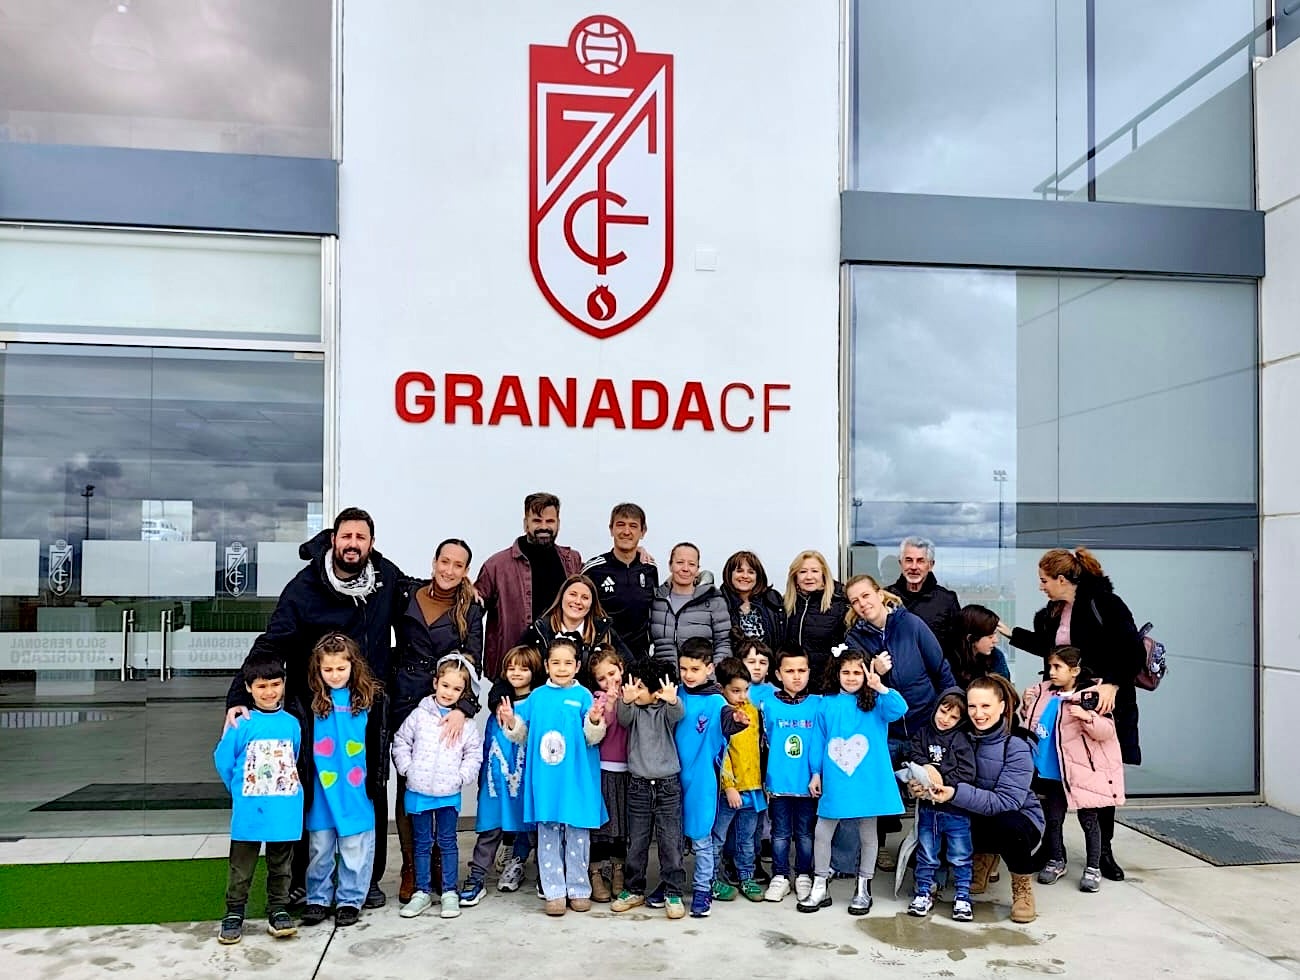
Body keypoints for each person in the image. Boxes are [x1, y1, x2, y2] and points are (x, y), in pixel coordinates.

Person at [224, 507, 405, 910]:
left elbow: (418, 607)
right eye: (347, 537)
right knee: (313, 789)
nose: (353, 544)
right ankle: (309, 883)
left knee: (368, 787)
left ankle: (365, 880)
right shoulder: (305, 586)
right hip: (315, 708)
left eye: (361, 538)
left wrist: (463, 590)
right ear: (333, 539)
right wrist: (239, 695)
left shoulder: (386, 577)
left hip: (365, 708)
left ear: (371, 543)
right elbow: (272, 641)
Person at [998, 546, 1145, 882]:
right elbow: (1050, 652)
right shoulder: (1052, 612)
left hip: (1102, 705)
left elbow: (1132, 651)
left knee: (1096, 778)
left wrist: (1113, 685)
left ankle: (1103, 853)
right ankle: (1053, 851)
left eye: (1044, 580)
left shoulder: (1104, 605)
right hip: (1064, 707)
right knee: (1053, 779)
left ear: (1062, 579)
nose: (1041, 586)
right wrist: (1009, 633)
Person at [390, 538, 484, 903]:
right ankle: (412, 866)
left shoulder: (470, 608)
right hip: (406, 698)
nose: (449, 570)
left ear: (465, 571)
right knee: (409, 784)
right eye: (444, 561)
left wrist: (463, 708)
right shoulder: (407, 593)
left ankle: (440, 869)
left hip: (447, 704)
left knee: (441, 784)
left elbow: (473, 661)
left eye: (458, 565)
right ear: (434, 562)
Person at [843, 574, 955, 869]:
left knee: (929, 787)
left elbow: (939, 667)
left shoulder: (911, 624)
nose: (862, 604)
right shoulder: (855, 637)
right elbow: (859, 684)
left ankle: (937, 855)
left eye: (866, 596)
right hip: (886, 727)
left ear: (880, 594)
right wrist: (874, 669)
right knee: (881, 786)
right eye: (855, 601)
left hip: (922, 721)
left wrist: (950, 709)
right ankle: (878, 847)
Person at [923, 675, 1044, 925]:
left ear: (1001, 707)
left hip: (1017, 820)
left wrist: (954, 793)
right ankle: (982, 856)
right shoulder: (957, 738)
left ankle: (1022, 885)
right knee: (924, 851)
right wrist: (923, 782)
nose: (978, 714)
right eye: (972, 706)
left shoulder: (1016, 746)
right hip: (971, 815)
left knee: (1008, 825)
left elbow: (1007, 802)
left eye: (986, 706)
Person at [498, 636, 607, 916]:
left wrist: (595, 719)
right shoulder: (537, 697)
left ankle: (579, 888)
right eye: (555, 662)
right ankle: (554, 891)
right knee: (547, 835)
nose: (561, 668)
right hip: (546, 781)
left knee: (577, 834)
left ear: (577, 666)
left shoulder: (584, 696)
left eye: (568, 662)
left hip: (576, 779)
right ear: (546, 666)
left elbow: (592, 738)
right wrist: (511, 722)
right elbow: (524, 736)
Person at [800, 647, 907, 916]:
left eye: (857, 672)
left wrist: (879, 686)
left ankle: (863, 886)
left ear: (866, 673)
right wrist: (815, 772)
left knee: (868, 834)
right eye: (845, 672)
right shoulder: (826, 703)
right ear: (836, 673)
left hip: (868, 779)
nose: (850, 677)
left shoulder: (877, 703)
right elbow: (818, 741)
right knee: (823, 831)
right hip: (836, 779)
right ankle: (820, 884)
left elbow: (900, 708)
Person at [212, 653, 303, 945]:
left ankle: (278, 909)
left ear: (283, 684)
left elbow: (294, 757)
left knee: (281, 865)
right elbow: (224, 760)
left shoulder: (292, 723)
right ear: (249, 688)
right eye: (262, 686)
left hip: (283, 809)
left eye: (275, 684)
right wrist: (239, 790)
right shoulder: (241, 724)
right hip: (250, 809)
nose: (270, 692)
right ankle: (234, 912)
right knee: (241, 866)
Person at [1020, 645, 1126, 894]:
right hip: (1050, 771)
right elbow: (1032, 723)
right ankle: (1056, 860)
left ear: (1075, 670)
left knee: (1089, 820)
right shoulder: (1044, 693)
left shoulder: (1091, 696)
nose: (1051, 672)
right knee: (1052, 820)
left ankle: (1093, 867)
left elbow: (1107, 732)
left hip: (1079, 773)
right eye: (1050, 667)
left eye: (1058, 667)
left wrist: (1087, 717)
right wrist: (1027, 705)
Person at [391, 655, 484, 921]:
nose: (449, 693)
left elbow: (473, 754)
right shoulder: (418, 716)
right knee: (421, 842)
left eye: (457, 689)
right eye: (445, 686)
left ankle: (449, 892)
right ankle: (421, 890)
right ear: (435, 683)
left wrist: (461, 777)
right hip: (419, 791)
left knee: (447, 842)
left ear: (463, 693)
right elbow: (401, 741)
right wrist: (407, 769)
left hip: (447, 793)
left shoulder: (466, 724)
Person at [300, 634, 383, 928]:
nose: (334, 675)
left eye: (340, 668)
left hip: (356, 788)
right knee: (320, 847)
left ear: (353, 666)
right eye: (328, 670)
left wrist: (377, 779)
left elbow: (378, 742)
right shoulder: (309, 701)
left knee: (354, 846)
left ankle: (350, 899)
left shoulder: (370, 699)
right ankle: (318, 898)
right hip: (322, 789)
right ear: (318, 670)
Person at [674, 637, 750, 918]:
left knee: (702, 837)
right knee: (673, 837)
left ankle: (703, 890)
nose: (688, 675)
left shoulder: (717, 700)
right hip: (673, 776)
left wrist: (737, 722)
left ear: (709, 668)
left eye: (694, 669)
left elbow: (727, 721)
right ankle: (673, 887)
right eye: (683, 668)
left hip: (703, 779)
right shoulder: (676, 694)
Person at [461, 645, 543, 903]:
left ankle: (525, 867)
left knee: (530, 828)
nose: (516, 672)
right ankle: (477, 876)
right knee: (490, 829)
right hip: (496, 784)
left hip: (525, 781)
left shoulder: (538, 702)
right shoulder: (497, 706)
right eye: (511, 667)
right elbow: (487, 745)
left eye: (524, 668)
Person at [476, 492, 584, 681]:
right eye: (537, 521)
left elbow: (591, 592)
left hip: (560, 667)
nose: (544, 527)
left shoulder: (571, 561)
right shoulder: (496, 566)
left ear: (558, 522)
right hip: (516, 667)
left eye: (550, 521)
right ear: (526, 523)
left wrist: (635, 551)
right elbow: (472, 615)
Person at [610, 658, 688, 920]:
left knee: (670, 842)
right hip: (638, 785)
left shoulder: (665, 711)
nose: (634, 689)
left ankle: (673, 891)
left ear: (656, 692)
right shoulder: (635, 711)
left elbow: (679, 715)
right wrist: (627, 699)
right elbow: (622, 718)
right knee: (637, 841)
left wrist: (672, 699)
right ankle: (634, 888)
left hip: (668, 786)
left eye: (640, 687)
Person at [904, 688, 977, 921]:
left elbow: (968, 771)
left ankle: (963, 897)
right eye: (943, 712)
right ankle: (923, 892)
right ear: (936, 708)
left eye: (954, 717)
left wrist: (940, 778)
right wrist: (926, 769)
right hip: (928, 809)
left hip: (956, 811)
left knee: (961, 855)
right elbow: (914, 754)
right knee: (926, 854)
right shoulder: (924, 733)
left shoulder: (962, 739)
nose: (945, 720)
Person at [761, 645, 822, 904]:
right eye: (789, 671)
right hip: (778, 783)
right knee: (780, 833)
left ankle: (804, 875)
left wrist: (817, 773)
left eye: (801, 670)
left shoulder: (818, 704)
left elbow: (820, 743)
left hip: (808, 783)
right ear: (778, 673)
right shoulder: (767, 704)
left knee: (806, 834)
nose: (796, 676)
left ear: (809, 672)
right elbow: (761, 745)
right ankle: (780, 876)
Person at [711, 657, 766, 902]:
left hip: (753, 788)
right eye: (735, 690)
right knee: (718, 837)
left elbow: (758, 750)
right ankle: (710, 878)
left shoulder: (753, 711)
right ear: (721, 688)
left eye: (746, 689)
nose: (742, 695)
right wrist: (729, 786)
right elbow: (721, 755)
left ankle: (746, 876)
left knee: (747, 838)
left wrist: (762, 784)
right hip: (729, 791)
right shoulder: (721, 714)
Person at [520, 573, 632, 680]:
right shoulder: (539, 631)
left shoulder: (604, 633)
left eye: (585, 597)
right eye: (573, 594)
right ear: (561, 597)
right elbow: (514, 664)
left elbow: (631, 667)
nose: (578, 601)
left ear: (592, 603)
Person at [581, 503, 657, 657]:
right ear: (611, 529)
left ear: (643, 532)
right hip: (604, 657)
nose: (626, 531)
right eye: (620, 525)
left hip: (639, 657)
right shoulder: (594, 569)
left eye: (633, 526)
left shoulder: (649, 568)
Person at [588, 645, 630, 902]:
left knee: (621, 825)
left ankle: (618, 869)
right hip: (603, 770)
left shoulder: (633, 695)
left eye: (612, 673)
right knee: (601, 826)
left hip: (628, 770)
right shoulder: (598, 701)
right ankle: (595, 872)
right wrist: (610, 704)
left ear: (622, 669)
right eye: (601, 678)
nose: (608, 681)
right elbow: (602, 731)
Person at [647, 542, 732, 664]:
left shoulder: (714, 600)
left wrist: (715, 673)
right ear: (670, 565)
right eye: (680, 562)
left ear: (697, 569)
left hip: (703, 679)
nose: (685, 569)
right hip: (664, 678)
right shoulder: (657, 600)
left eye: (691, 564)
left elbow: (724, 643)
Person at [782, 550, 848, 689]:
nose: (809, 577)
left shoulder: (839, 604)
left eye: (814, 571)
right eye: (803, 571)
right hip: (793, 687)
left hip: (826, 687)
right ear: (795, 577)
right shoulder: (786, 605)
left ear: (823, 574)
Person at [891, 536, 963, 656]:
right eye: (909, 560)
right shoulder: (886, 596)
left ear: (930, 565)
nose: (914, 567)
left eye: (920, 561)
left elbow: (957, 647)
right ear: (900, 563)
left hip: (934, 673)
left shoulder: (946, 600)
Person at [720, 550, 786, 650]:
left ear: (758, 576)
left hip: (768, 663)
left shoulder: (772, 600)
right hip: (734, 664)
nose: (745, 576)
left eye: (751, 572)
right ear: (729, 574)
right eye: (739, 571)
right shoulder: (719, 601)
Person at [949, 604, 1011, 690]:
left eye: (995, 634)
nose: (996, 640)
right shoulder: (949, 661)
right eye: (990, 637)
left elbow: (1004, 691)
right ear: (970, 638)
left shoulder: (996, 656)